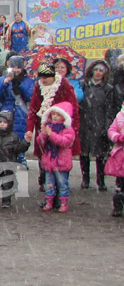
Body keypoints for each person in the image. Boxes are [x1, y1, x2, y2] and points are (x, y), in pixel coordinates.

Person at [25, 64, 81, 196]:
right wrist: (29, 130)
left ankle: (61, 193)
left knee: (62, 160)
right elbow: (33, 109)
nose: (43, 80)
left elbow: (75, 110)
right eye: (41, 77)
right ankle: (48, 190)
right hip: (44, 128)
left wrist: (74, 130)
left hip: (62, 129)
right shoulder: (39, 87)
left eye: (45, 77)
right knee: (45, 159)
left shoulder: (64, 85)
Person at [79, 60, 116, 191]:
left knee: (100, 155)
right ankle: (85, 179)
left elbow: (110, 109)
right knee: (84, 153)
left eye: (101, 71)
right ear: (92, 71)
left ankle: (101, 181)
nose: (98, 73)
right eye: (96, 70)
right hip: (84, 124)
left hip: (99, 124)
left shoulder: (108, 89)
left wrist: (106, 126)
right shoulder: (84, 86)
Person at [0, 55, 34, 166]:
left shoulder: (28, 81)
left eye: (18, 67)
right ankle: (2, 157)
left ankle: (20, 157)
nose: (16, 70)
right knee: (3, 134)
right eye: (13, 67)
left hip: (20, 112)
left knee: (19, 135)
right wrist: (5, 83)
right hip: (5, 111)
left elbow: (30, 96)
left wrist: (20, 86)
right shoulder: (2, 79)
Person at [36, 101, 76, 213]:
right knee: (49, 184)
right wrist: (44, 134)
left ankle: (63, 202)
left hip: (61, 161)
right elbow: (40, 141)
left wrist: (51, 134)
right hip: (49, 161)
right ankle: (49, 201)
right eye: (53, 114)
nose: (54, 116)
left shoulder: (67, 129)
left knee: (62, 184)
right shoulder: (48, 127)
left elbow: (63, 142)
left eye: (58, 114)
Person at [105, 102, 124, 217]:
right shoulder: (120, 116)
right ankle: (118, 206)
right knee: (120, 183)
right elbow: (111, 130)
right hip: (121, 155)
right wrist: (117, 137)